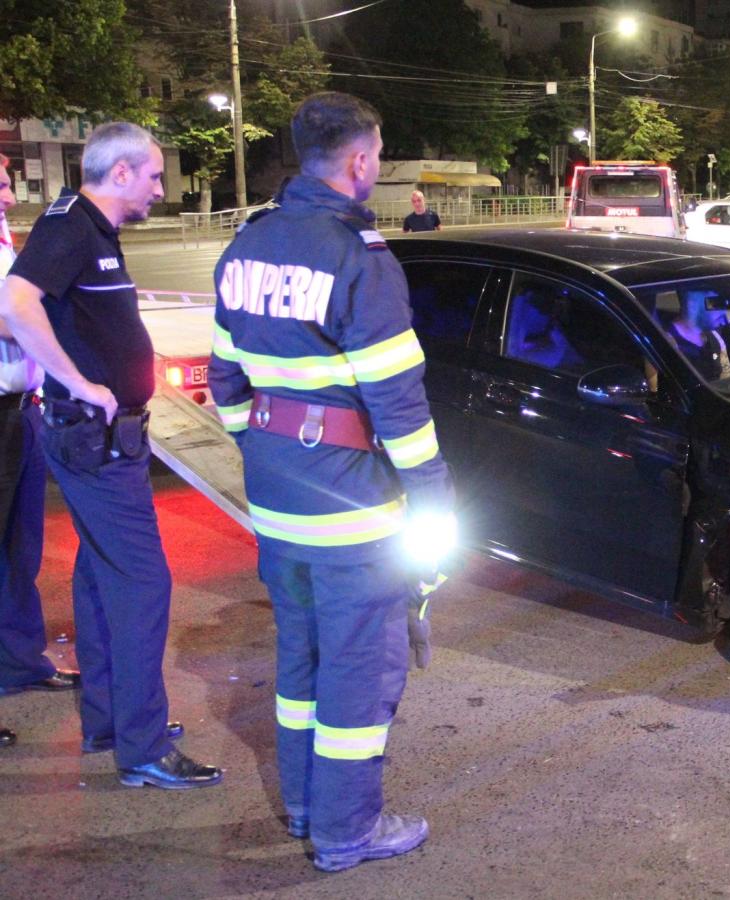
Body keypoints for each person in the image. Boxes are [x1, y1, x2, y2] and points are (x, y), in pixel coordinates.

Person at [208, 92, 455, 873]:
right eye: (376, 155)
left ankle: (306, 806)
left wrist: (265, 452)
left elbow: (224, 381)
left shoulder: (246, 246)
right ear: (359, 160)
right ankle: (348, 831)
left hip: (277, 503)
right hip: (353, 511)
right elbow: (398, 404)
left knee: (301, 661)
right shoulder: (360, 258)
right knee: (359, 669)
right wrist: (434, 495)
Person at [0, 124, 218, 787]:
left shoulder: (94, 228)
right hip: (92, 441)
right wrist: (76, 381)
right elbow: (16, 302)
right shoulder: (71, 224)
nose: (160, 187)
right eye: (153, 175)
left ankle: (111, 721)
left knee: (100, 577)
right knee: (143, 583)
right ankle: (143, 747)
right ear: (119, 172)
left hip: (104, 438)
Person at [1, 156, 82, 714]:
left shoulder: (7, 244)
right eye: (0, 187)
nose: (9, 197)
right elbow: (10, 316)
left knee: (20, 548)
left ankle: (20, 662)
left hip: (20, 411)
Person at [667, 289, 730, 380]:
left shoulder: (713, 334)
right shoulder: (666, 345)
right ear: (693, 305)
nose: (723, 313)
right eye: (715, 304)